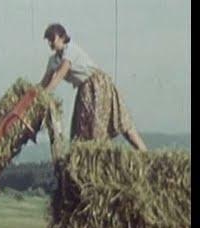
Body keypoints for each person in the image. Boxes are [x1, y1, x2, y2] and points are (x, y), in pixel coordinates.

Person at [39, 23, 147, 151]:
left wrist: (43, 97)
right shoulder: (53, 60)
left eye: (52, 39)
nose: (50, 43)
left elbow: (60, 75)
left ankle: (144, 154)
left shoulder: (70, 50)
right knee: (81, 133)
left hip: (98, 85)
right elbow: (44, 82)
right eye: (48, 40)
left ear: (62, 37)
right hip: (84, 90)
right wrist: (35, 95)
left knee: (119, 124)